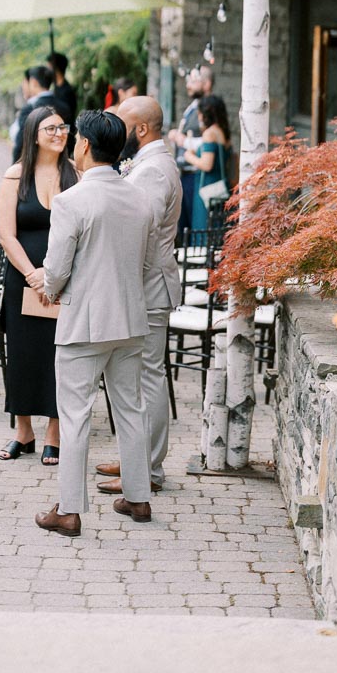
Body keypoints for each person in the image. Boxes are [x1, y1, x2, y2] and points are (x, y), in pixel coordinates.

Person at [30, 110, 158, 538]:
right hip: (130, 318)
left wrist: (49, 286)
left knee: (74, 417)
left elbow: (58, 267)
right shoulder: (140, 197)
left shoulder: (72, 200)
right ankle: (138, 498)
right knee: (131, 409)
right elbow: (147, 263)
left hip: (84, 322)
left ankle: (68, 510)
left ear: (83, 144)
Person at [96, 96, 182, 496]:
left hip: (147, 286)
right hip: (143, 285)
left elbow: (138, 231)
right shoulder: (149, 164)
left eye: (122, 122)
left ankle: (147, 470)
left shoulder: (153, 171)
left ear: (141, 129)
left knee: (149, 377)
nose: (116, 130)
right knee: (137, 377)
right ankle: (136, 457)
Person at [0, 106, 78, 466]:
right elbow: (6, 234)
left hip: (66, 279)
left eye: (63, 127)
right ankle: (23, 431)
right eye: (51, 129)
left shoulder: (76, 174)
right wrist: (33, 273)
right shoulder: (15, 176)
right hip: (22, 278)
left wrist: (52, 275)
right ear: (33, 134)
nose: (60, 134)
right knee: (23, 354)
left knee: (57, 355)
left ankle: (54, 434)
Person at [184, 94, 232, 231]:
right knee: (215, 228)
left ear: (206, 114)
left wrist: (189, 156)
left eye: (199, 113)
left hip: (207, 187)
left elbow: (207, 164)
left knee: (203, 226)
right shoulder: (224, 132)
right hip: (220, 185)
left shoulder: (210, 133)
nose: (199, 117)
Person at [167, 68, 206, 233]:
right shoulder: (193, 107)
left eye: (193, 81)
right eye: (188, 81)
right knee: (183, 223)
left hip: (196, 172)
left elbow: (211, 140)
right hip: (184, 172)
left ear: (206, 83)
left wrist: (184, 141)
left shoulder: (208, 108)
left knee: (195, 221)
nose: (188, 85)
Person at [10, 65, 54, 161]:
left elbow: (21, 142)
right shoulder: (63, 105)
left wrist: (15, 167)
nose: (23, 86)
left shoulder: (30, 108)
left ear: (33, 82)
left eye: (25, 82)